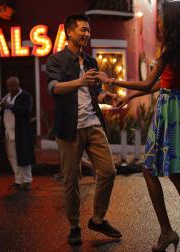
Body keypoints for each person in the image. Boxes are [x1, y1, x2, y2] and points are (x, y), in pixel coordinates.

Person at [96, 0, 180, 252]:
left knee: (151, 171)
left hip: (168, 111)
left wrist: (113, 81)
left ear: (171, 21)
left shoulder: (170, 50)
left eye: (160, 17)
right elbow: (162, 84)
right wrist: (129, 97)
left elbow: (147, 82)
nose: (158, 21)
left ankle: (168, 232)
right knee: (174, 174)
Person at [46, 13, 121, 245]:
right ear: (69, 32)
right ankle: (74, 225)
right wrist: (79, 82)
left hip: (93, 124)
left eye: (89, 30)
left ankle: (98, 219)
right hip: (69, 129)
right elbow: (54, 88)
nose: (87, 34)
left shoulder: (91, 62)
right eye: (83, 30)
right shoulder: (56, 60)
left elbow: (94, 92)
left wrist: (104, 96)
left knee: (109, 171)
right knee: (71, 180)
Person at [0, 76, 35, 191]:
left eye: (12, 85)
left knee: (24, 156)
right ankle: (18, 181)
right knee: (12, 157)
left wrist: (10, 106)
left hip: (21, 131)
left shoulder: (25, 96)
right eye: (8, 86)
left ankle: (27, 181)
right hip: (8, 132)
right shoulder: (7, 97)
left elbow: (25, 110)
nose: (9, 88)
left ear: (17, 85)